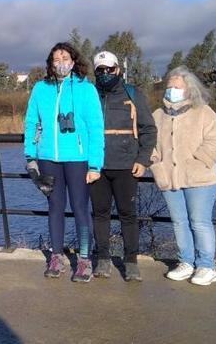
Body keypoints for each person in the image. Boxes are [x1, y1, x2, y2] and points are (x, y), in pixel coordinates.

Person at [24, 42, 104, 282]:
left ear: (73, 60)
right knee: (55, 207)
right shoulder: (40, 88)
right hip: (48, 158)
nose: (61, 63)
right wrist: (30, 156)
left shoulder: (86, 89)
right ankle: (56, 257)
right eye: (56, 59)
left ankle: (84, 260)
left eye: (65, 57)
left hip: (78, 159)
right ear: (50, 62)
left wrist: (95, 165)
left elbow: (96, 128)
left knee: (80, 208)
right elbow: (30, 123)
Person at [150, 66, 216, 286]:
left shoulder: (204, 112)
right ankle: (186, 261)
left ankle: (206, 266)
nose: (172, 90)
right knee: (179, 222)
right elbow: (149, 145)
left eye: (177, 86)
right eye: (169, 86)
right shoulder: (158, 115)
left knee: (200, 222)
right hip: (170, 180)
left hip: (200, 180)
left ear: (189, 89)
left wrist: (199, 162)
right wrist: (157, 165)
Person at [90, 51, 157, 282]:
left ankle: (131, 262)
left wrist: (142, 159)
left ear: (118, 69)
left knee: (128, 215)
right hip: (96, 166)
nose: (105, 74)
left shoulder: (133, 93)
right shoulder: (89, 95)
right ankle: (103, 260)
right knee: (100, 214)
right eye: (100, 70)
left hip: (127, 167)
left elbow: (148, 129)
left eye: (109, 69)